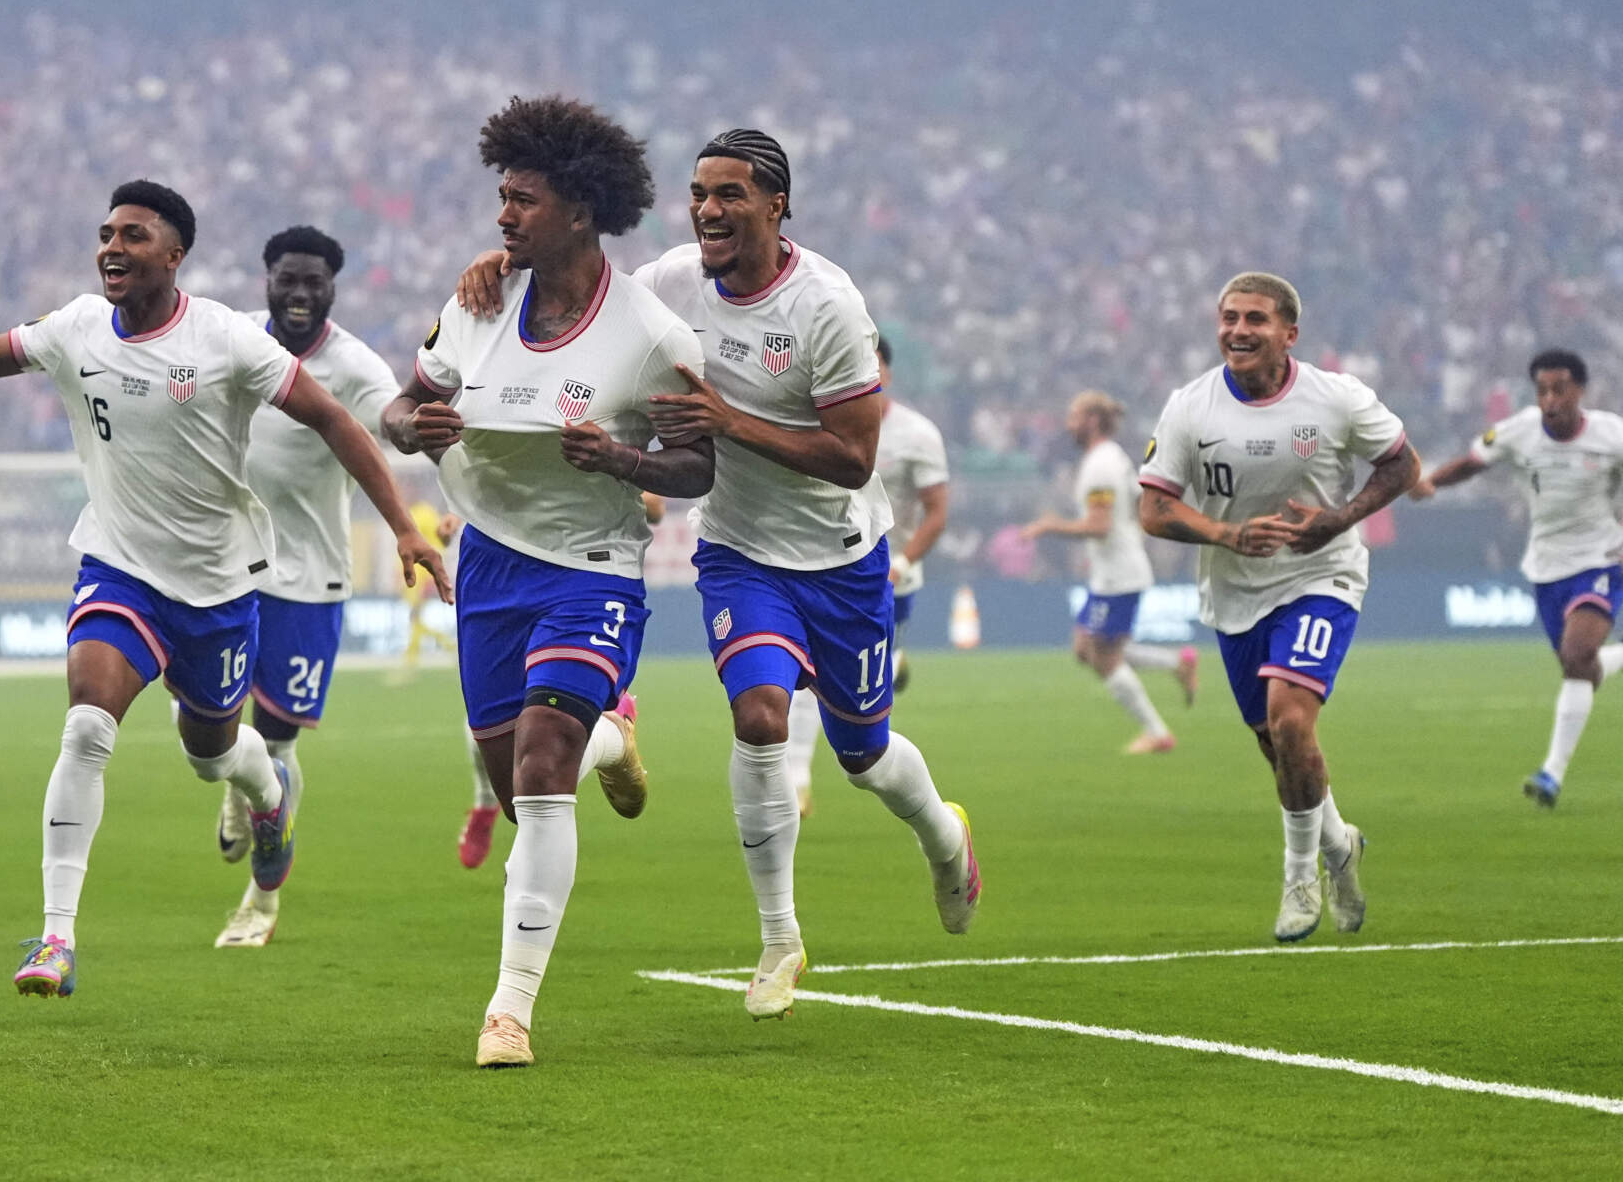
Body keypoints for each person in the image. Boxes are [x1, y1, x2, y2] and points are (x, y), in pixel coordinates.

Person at [0, 181, 448, 995]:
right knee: (87, 725)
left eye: (133, 235)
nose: (112, 247)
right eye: (105, 233)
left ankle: (265, 800)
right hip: (119, 569)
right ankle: (55, 939)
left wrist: (404, 525)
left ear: (174, 255)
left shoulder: (226, 340)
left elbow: (335, 418)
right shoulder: (78, 324)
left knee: (214, 754)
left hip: (220, 589)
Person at [456, 127, 980, 1022]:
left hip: (842, 558)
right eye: (700, 193)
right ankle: (779, 938)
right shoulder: (669, 284)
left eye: (730, 194)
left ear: (777, 205)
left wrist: (729, 422)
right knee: (760, 713)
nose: (708, 210)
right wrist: (500, 266)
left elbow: (855, 459)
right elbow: (582, 282)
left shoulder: (828, 308)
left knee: (864, 757)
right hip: (738, 549)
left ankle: (943, 835)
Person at [382, 96, 712, 1068]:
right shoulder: (478, 303)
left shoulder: (653, 337)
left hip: (593, 567)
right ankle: (614, 739)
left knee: (537, 763)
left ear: (577, 210)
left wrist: (619, 460)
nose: (503, 215)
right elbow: (404, 408)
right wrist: (416, 429)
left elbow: (696, 470)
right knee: (516, 774)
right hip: (490, 560)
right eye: (502, 196)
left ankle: (508, 1011)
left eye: (522, 199)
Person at [1138, 271, 1416, 943]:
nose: (1238, 330)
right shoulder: (1191, 407)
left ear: (1289, 333)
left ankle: (1298, 880)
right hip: (1235, 594)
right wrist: (1225, 533)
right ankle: (1340, 845)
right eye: (1229, 317)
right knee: (1280, 746)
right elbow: (1153, 507)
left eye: (1255, 319)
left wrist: (1338, 519)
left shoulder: (1336, 398)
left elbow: (1401, 466)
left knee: (1291, 720)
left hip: (1323, 575)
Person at [208, 225, 403, 948]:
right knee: (200, 724)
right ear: (266, 279)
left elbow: (392, 412)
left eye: (313, 282)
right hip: (223, 565)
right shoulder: (233, 342)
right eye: (287, 280)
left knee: (278, 737)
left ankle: (261, 901)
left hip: (307, 579)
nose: (299, 294)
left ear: (332, 288)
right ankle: (239, 787)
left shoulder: (351, 364)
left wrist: (413, 426)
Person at [1409, 349, 1623, 808]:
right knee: (1581, 667)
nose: (1550, 399)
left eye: (1560, 389)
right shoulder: (1519, 431)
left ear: (1579, 391)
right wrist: (1430, 483)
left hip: (1602, 559)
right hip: (1546, 567)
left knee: (1576, 654)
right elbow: (1472, 460)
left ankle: (1551, 775)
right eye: (1543, 390)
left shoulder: (1612, 436)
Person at [784, 336, 952, 815]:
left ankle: (894, 665)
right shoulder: (816, 424)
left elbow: (936, 513)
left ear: (887, 373)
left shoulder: (917, 435)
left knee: (863, 686)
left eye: (870, 366)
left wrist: (903, 562)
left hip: (891, 577)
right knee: (805, 671)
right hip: (828, 569)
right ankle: (797, 781)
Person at [1021, 390, 1199, 754]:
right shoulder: (1113, 458)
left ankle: (1157, 733)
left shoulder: (1100, 465)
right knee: (1086, 648)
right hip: (1115, 570)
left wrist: (1051, 525)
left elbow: (1099, 526)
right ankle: (1177, 663)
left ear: (1091, 421)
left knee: (1102, 655)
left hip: (1118, 575)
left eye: (1073, 417)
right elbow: (1134, 509)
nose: (1067, 424)